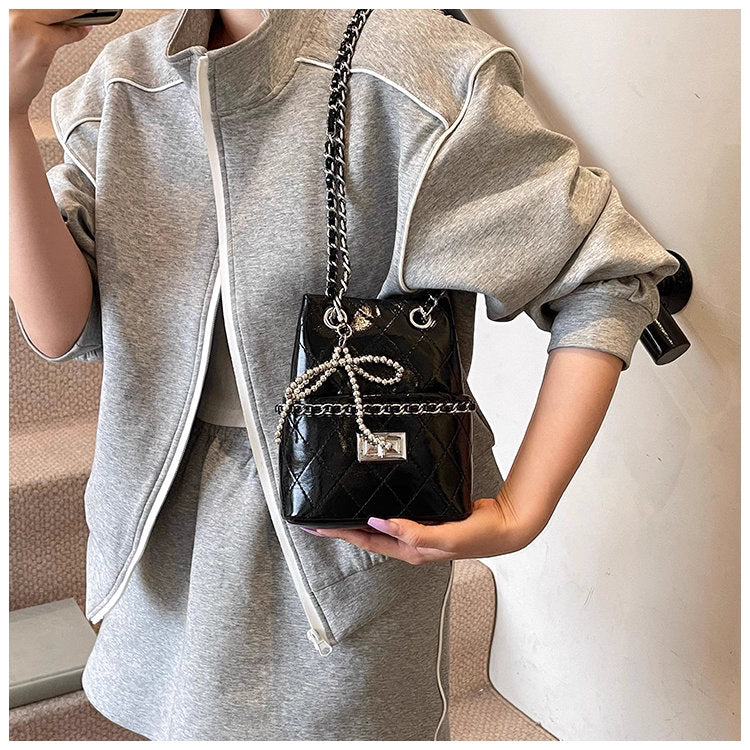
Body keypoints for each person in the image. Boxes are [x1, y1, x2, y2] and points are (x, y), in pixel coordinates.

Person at [9, 8, 681, 742]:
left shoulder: (415, 70)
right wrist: (9, 114)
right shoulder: (121, 83)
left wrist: (524, 511)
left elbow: (605, 274)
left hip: (342, 537)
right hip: (162, 541)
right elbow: (64, 330)